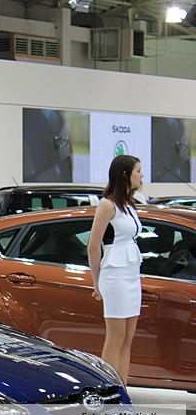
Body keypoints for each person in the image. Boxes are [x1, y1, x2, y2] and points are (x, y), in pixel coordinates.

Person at [87, 154, 143, 386]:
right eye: (138, 170)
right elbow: (93, 246)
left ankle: (123, 390)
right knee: (116, 337)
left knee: (128, 338)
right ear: (125, 174)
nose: (142, 175)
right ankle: (109, 391)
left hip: (131, 274)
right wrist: (96, 281)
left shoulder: (129, 204)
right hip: (115, 275)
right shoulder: (107, 204)